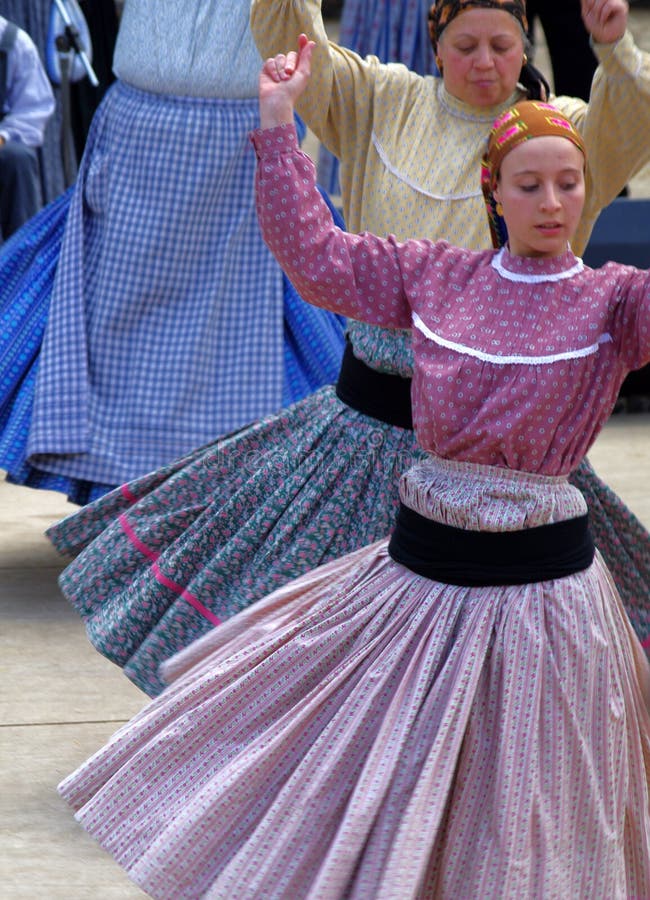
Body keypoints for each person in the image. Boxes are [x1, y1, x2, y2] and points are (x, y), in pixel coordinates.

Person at [57, 48, 650, 896]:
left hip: (548, 607)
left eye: (568, 183)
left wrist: (623, 58)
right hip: (418, 585)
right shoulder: (437, 277)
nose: (551, 203)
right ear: (494, 193)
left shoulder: (616, 301)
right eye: (529, 184)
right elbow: (316, 259)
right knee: (370, 786)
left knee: (534, 811)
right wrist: (276, 124)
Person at [0, 0, 345, 505]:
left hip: (241, 135)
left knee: (241, 330)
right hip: (141, 131)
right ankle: (118, 502)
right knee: (115, 333)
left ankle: (215, 502)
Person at [0, 15, 54, 241]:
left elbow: (33, 111)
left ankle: (22, 261)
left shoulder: (13, 42)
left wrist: (2, 137)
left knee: (17, 158)